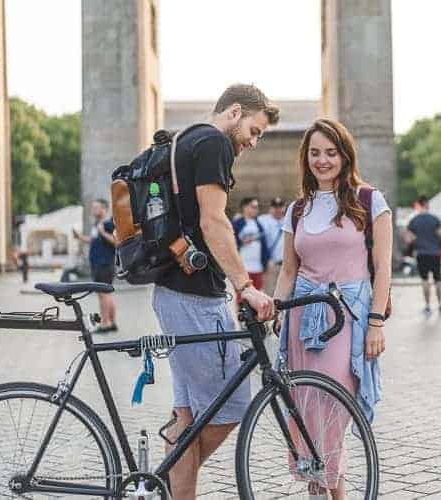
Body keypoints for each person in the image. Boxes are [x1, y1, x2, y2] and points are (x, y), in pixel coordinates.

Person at [150, 84, 279, 500]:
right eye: (254, 131)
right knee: (232, 406)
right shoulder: (213, 143)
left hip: (177, 293)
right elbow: (214, 221)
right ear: (235, 112)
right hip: (192, 299)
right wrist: (247, 286)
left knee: (187, 417)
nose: (253, 142)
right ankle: (160, 484)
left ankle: (166, 488)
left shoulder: (186, 138)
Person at [274, 118, 391, 499]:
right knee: (305, 407)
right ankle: (318, 490)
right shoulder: (297, 209)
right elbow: (288, 269)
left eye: (331, 152)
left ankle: (328, 491)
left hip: (347, 315)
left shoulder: (369, 201)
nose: (322, 160)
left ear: (345, 154)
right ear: (305, 158)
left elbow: (384, 267)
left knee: (333, 406)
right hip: (301, 316)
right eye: (315, 153)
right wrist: (275, 310)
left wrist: (376, 322)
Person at [73, 199, 117, 332]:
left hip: (104, 263)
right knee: (104, 293)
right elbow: (93, 240)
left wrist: (103, 232)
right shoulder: (97, 224)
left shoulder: (108, 224)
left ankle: (105, 323)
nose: (93, 210)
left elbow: (116, 242)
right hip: (98, 264)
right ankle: (111, 322)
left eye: (96, 208)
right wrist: (80, 237)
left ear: (104, 209)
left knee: (104, 294)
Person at [405, 195, 441, 315]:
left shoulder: (414, 220)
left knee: (425, 280)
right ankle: (440, 305)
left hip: (421, 254)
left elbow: (408, 238)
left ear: (419, 205)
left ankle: (428, 306)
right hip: (435, 253)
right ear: (427, 205)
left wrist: (415, 242)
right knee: (438, 280)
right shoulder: (435, 219)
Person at [232, 197, 270, 299]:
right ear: (245, 207)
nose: (256, 210)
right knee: (242, 297)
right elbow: (230, 243)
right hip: (243, 267)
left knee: (257, 296)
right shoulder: (237, 224)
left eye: (257, 207)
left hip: (257, 267)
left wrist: (265, 263)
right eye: (253, 207)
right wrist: (241, 242)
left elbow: (264, 246)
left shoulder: (259, 224)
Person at [258, 197, 287, 294]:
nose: (278, 209)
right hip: (271, 263)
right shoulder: (262, 220)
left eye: (280, 207)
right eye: (275, 207)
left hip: (286, 264)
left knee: (285, 293)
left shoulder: (288, 220)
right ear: (270, 208)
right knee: (270, 292)